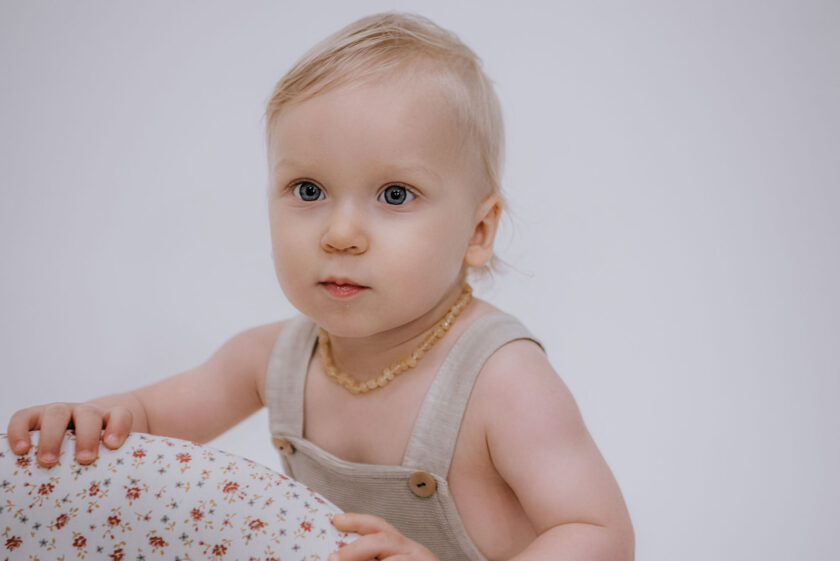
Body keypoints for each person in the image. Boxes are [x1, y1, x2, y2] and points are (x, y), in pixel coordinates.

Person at [6, 12, 634, 561]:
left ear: (478, 230)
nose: (341, 233)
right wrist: (95, 420)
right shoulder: (272, 358)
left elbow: (600, 534)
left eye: (395, 194)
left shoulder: (503, 382)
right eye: (309, 191)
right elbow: (144, 422)